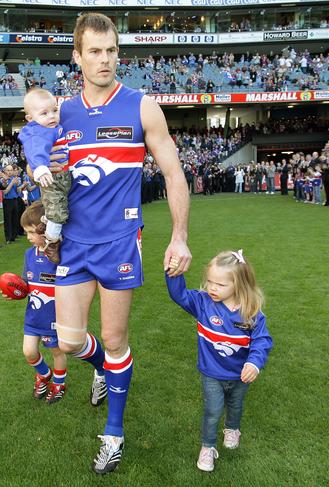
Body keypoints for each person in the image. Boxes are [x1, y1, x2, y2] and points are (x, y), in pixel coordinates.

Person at [42, 13, 192, 474]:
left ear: (117, 53)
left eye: (110, 51)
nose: (103, 59)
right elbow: (52, 175)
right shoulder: (62, 112)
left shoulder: (143, 107)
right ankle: (105, 372)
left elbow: (173, 173)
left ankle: (113, 433)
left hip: (120, 242)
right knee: (67, 339)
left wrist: (179, 236)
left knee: (114, 338)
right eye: (94, 51)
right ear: (77, 56)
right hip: (73, 243)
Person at [165, 250, 273, 472]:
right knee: (213, 410)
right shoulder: (203, 303)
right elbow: (180, 295)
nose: (212, 288)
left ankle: (232, 428)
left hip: (239, 375)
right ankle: (208, 447)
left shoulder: (250, 312)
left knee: (235, 405)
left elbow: (262, 341)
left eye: (220, 285)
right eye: (210, 282)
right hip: (211, 373)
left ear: (239, 285)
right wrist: (174, 272)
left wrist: (253, 363)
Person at [3, 201, 68, 403]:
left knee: (57, 351)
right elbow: (26, 282)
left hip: (54, 316)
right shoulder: (29, 254)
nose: (29, 237)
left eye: (32, 232)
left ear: (46, 229)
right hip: (33, 315)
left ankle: (59, 383)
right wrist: (15, 290)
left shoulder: (61, 253)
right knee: (29, 351)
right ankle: (43, 373)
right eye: (26, 232)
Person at [18, 88, 70, 263]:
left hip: (65, 174)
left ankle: (46, 220)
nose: (52, 116)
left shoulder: (53, 127)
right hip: (52, 177)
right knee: (57, 209)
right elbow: (35, 150)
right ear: (30, 119)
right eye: (44, 113)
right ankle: (52, 241)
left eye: (55, 111)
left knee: (57, 203)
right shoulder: (37, 131)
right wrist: (39, 168)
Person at [0, 164, 21, 244]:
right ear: (5, 171)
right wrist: (12, 183)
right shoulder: (3, 179)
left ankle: (13, 236)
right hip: (7, 201)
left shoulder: (14, 178)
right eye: (8, 170)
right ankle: (8, 238)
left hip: (15, 199)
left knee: (15, 219)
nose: (9, 172)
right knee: (8, 219)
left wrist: (19, 186)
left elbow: (18, 191)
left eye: (11, 170)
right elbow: (5, 192)